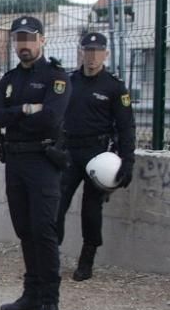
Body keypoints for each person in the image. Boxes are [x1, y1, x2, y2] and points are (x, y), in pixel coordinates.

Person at [0, 15, 71, 310]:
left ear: (42, 41)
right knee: (24, 230)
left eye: (29, 38)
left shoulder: (56, 77)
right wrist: (23, 110)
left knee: (43, 231)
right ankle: (31, 293)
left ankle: (50, 301)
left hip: (43, 162)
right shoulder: (9, 79)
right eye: (19, 38)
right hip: (16, 163)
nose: (23, 44)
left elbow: (50, 119)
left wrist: (14, 117)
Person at [57, 32, 135, 281]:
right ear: (81, 53)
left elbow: (126, 126)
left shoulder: (114, 86)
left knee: (91, 210)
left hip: (98, 156)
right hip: (68, 152)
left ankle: (87, 259)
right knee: (56, 206)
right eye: (88, 51)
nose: (92, 56)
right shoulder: (68, 81)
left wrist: (128, 160)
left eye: (97, 51)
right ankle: (50, 256)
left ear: (106, 54)